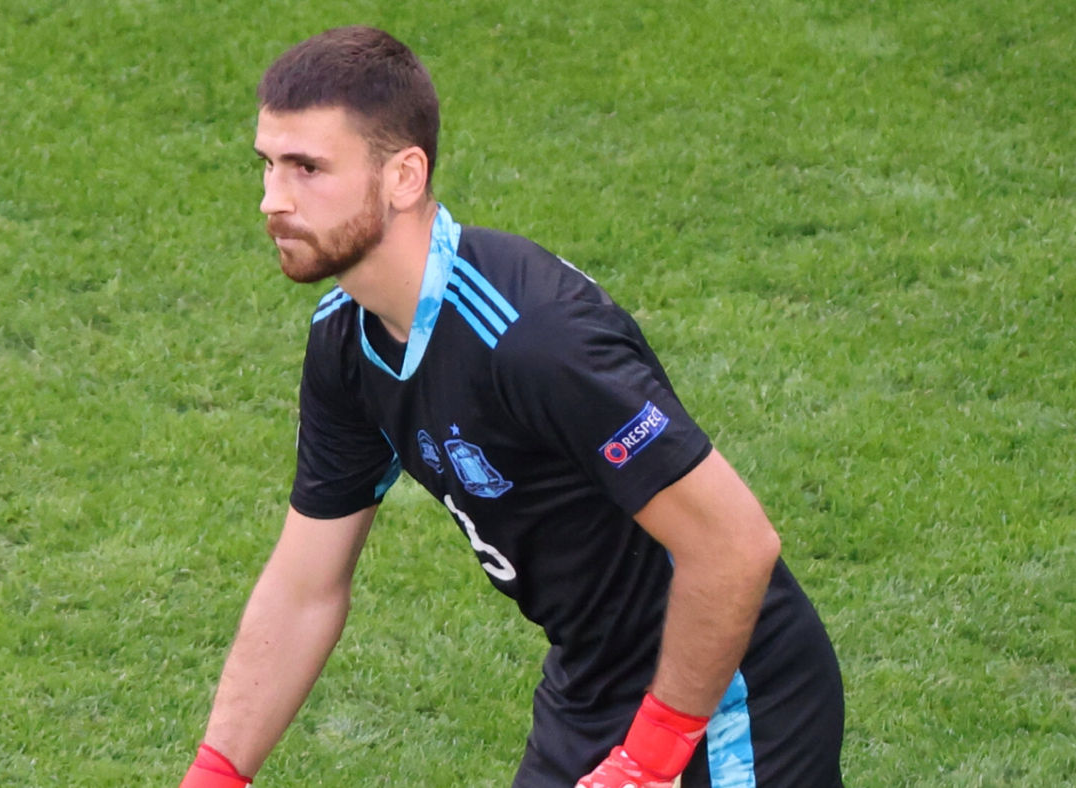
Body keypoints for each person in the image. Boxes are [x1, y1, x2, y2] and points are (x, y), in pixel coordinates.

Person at [178, 26, 845, 788]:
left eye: (307, 168)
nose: (272, 200)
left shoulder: (533, 339)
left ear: (403, 177)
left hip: (730, 700)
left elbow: (734, 547)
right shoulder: (345, 341)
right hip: (592, 684)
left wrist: (651, 760)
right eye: (268, 165)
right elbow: (304, 587)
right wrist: (215, 775)